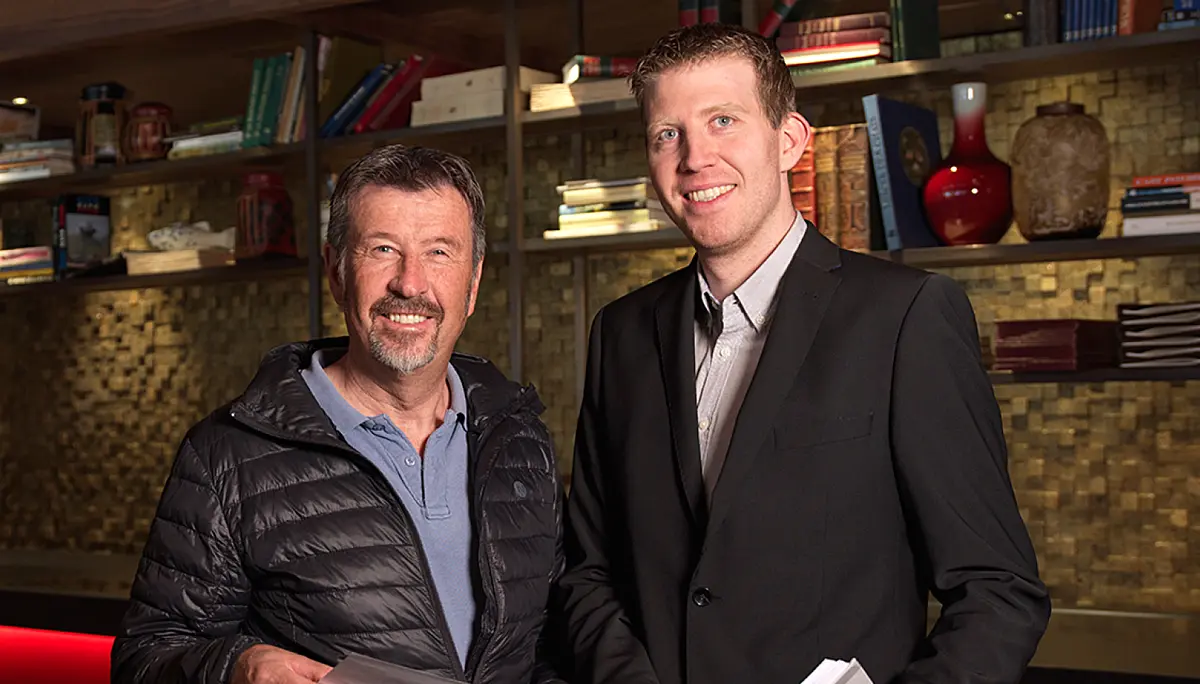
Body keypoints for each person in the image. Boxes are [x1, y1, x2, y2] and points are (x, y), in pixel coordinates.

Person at [556, 22, 1051, 684]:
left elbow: (998, 592)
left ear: (789, 140)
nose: (695, 157)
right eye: (667, 134)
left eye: (723, 121)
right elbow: (587, 571)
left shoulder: (906, 317)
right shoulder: (620, 333)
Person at [111, 144, 567, 684]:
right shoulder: (226, 455)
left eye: (439, 252)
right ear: (336, 272)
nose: (410, 283)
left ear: (472, 283)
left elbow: (554, 646)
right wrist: (237, 667)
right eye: (382, 249)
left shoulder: (520, 440)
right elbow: (145, 659)